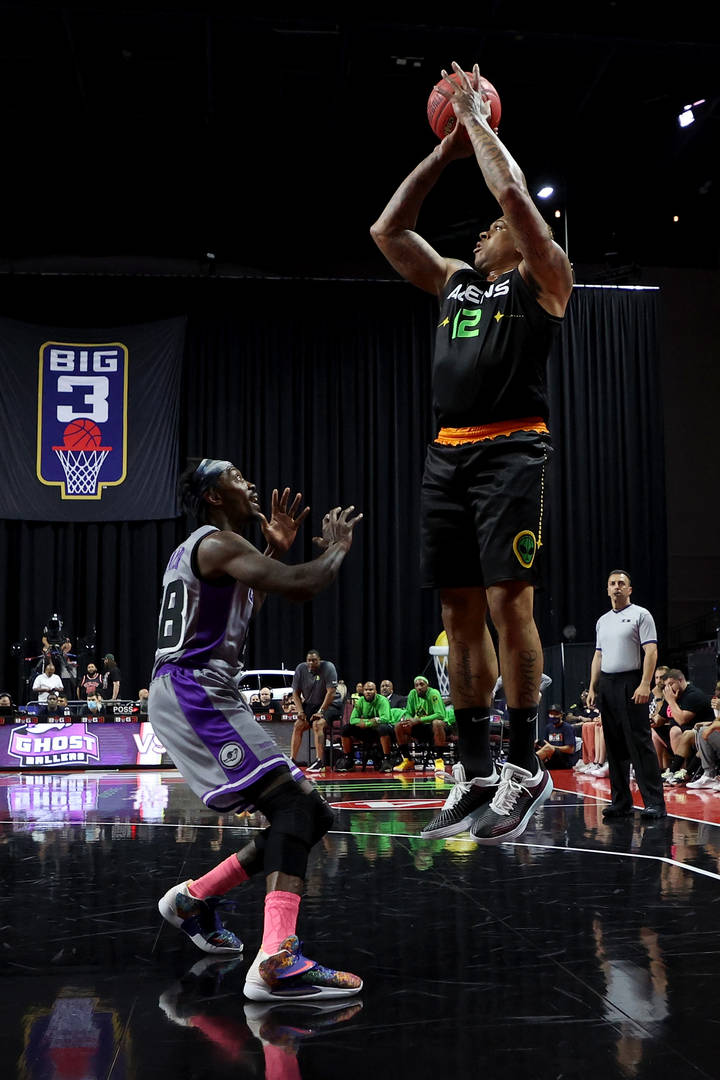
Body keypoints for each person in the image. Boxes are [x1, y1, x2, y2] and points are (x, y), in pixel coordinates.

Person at [371, 61, 573, 843]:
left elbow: (515, 200)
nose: (482, 230)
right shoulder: (456, 279)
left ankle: (525, 770)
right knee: (457, 615)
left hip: (513, 449)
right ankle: (476, 771)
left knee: (506, 602)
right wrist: (443, 153)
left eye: (492, 229)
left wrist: (477, 123)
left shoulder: (545, 278)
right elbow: (387, 232)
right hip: (447, 452)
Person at [151, 458, 363, 1001]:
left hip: (201, 689)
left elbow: (249, 600)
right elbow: (301, 586)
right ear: (213, 496)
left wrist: (274, 553)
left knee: (308, 812)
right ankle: (275, 959)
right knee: (295, 806)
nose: (246, 481)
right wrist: (335, 548)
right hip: (195, 690)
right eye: (234, 476)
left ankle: (195, 899)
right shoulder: (216, 543)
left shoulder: (214, 551)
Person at [587, 570, 666, 820]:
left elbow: (651, 651)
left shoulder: (641, 615)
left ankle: (655, 803)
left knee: (640, 744)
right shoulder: (602, 621)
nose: (617, 587)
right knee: (614, 745)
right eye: (612, 584)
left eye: (622, 583)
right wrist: (592, 687)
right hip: (608, 685)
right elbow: (598, 656)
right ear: (607, 589)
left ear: (630, 589)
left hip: (632, 681)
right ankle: (621, 802)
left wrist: (645, 684)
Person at [289, 649, 344, 772]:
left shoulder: (328, 667)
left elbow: (331, 692)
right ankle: (292, 760)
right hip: (310, 704)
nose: (311, 663)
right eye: (309, 660)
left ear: (319, 660)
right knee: (298, 725)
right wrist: (300, 711)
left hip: (331, 704)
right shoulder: (300, 669)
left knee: (317, 724)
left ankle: (320, 762)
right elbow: (295, 693)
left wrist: (321, 711)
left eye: (314, 660)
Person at [660, 669, 715, 785]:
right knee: (682, 733)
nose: (668, 689)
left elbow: (681, 720)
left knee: (688, 732)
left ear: (680, 680)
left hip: (707, 732)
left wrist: (671, 701)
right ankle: (673, 771)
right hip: (697, 730)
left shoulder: (694, 695)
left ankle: (688, 773)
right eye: (666, 686)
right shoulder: (673, 694)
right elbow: (660, 718)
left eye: (671, 684)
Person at [393, 675, 450, 773]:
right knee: (399, 726)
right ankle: (407, 760)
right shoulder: (412, 694)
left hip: (439, 727)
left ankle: (439, 761)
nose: (419, 687)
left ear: (427, 685)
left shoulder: (434, 693)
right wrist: (409, 719)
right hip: (421, 726)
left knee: (437, 723)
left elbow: (440, 715)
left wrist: (419, 720)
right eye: (416, 685)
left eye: (421, 684)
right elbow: (408, 712)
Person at [336, 680, 393, 772]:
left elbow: (385, 719)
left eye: (371, 689)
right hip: (367, 729)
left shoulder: (383, 700)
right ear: (363, 691)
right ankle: (348, 760)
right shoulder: (360, 701)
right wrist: (369, 722)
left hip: (381, 731)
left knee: (383, 728)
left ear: (375, 691)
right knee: (346, 729)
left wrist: (366, 722)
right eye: (366, 690)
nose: (368, 692)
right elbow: (352, 720)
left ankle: (387, 760)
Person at [535, 704, 579, 769]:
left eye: (556, 714)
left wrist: (552, 748)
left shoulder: (567, 728)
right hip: (551, 758)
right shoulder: (548, 728)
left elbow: (571, 750)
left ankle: (529, 765)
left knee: (548, 748)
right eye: (551, 714)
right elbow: (545, 743)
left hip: (565, 760)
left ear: (561, 715)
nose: (553, 716)